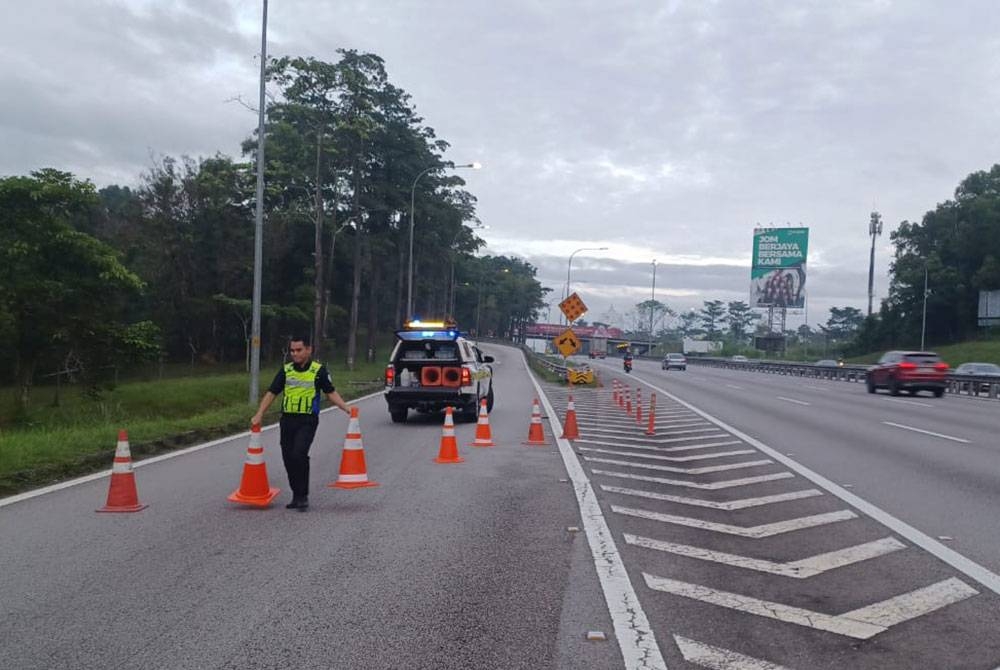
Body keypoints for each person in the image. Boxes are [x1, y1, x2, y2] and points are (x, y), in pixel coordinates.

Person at [251, 335, 351, 511]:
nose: (294, 354)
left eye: (298, 350)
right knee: (288, 458)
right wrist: (259, 413)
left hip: (307, 421)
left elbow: (330, 392)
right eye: (292, 350)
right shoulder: (286, 370)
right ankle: (296, 494)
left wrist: (346, 408)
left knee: (299, 454)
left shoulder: (319, 371)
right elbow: (272, 392)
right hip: (287, 420)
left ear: (308, 350)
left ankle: (303, 496)